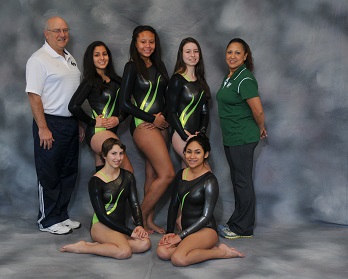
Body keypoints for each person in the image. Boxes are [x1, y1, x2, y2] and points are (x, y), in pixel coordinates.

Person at [25, 16, 83, 235]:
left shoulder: (69, 57)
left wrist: (77, 123)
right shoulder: (38, 59)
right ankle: (47, 219)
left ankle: (61, 215)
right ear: (46, 33)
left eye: (65, 30)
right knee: (50, 172)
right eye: (57, 30)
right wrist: (43, 127)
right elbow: (34, 96)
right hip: (50, 123)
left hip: (69, 123)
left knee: (69, 171)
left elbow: (72, 95)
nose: (62, 34)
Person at [156, 134, 244, 266]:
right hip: (187, 230)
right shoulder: (181, 175)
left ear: (206, 154)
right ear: (184, 153)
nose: (192, 157)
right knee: (162, 252)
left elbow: (206, 216)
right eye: (189, 152)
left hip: (205, 230)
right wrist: (169, 233)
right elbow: (174, 205)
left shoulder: (210, 180)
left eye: (197, 152)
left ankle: (221, 252)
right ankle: (191, 247)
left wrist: (179, 236)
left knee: (178, 259)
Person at [119, 25, 175, 233]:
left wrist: (163, 119)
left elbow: (167, 97)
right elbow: (124, 103)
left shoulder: (159, 65)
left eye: (151, 41)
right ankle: (139, 217)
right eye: (143, 41)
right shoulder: (131, 67)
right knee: (168, 173)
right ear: (135, 43)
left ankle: (148, 222)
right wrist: (151, 118)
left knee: (153, 176)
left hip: (162, 126)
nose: (147, 46)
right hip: (143, 124)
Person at [60, 138, 150, 258]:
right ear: (104, 155)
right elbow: (102, 216)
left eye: (121, 153)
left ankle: (109, 245)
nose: (118, 158)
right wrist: (130, 232)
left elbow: (134, 203)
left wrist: (139, 225)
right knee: (124, 252)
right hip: (101, 225)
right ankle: (84, 247)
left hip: (119, 226)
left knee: (144, 244)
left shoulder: (128, 177)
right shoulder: (95, 181)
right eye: (113, 153)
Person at [216, 38, 267, 239]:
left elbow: (258, 110)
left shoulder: (245, 79)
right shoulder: (231, 77)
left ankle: (242, 228)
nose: (233, 56)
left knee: (243, 182)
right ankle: (238, 222)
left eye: (238, 53)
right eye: (230, 52)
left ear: (245, 56)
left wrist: (261, 127)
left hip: (242, 137)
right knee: (238, 180)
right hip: (232, 137)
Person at [68, 41, 133, 173]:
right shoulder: (90, 81)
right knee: (127, 171)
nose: (102, 58)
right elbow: (73, 106)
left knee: (106, 174)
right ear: (91, 59)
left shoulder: (118, 81)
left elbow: (129, 105)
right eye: (97, 55)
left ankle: (99, 193)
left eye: (104, 54)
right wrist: (92, 122)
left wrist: (119, 119)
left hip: (111, 132)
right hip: (97, 132)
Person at [166, 37, 211, 169]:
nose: (192, 55)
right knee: (201, 170)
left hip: (196, 135)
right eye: (188, 51)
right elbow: (171, 112)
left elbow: (204, 111)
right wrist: (185, 135)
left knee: (189, 174)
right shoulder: (177, 79)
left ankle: (180, 190)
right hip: (180, 134)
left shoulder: (201, 81)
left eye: (196, 51)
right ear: (181, 54)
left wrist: (201, 133)